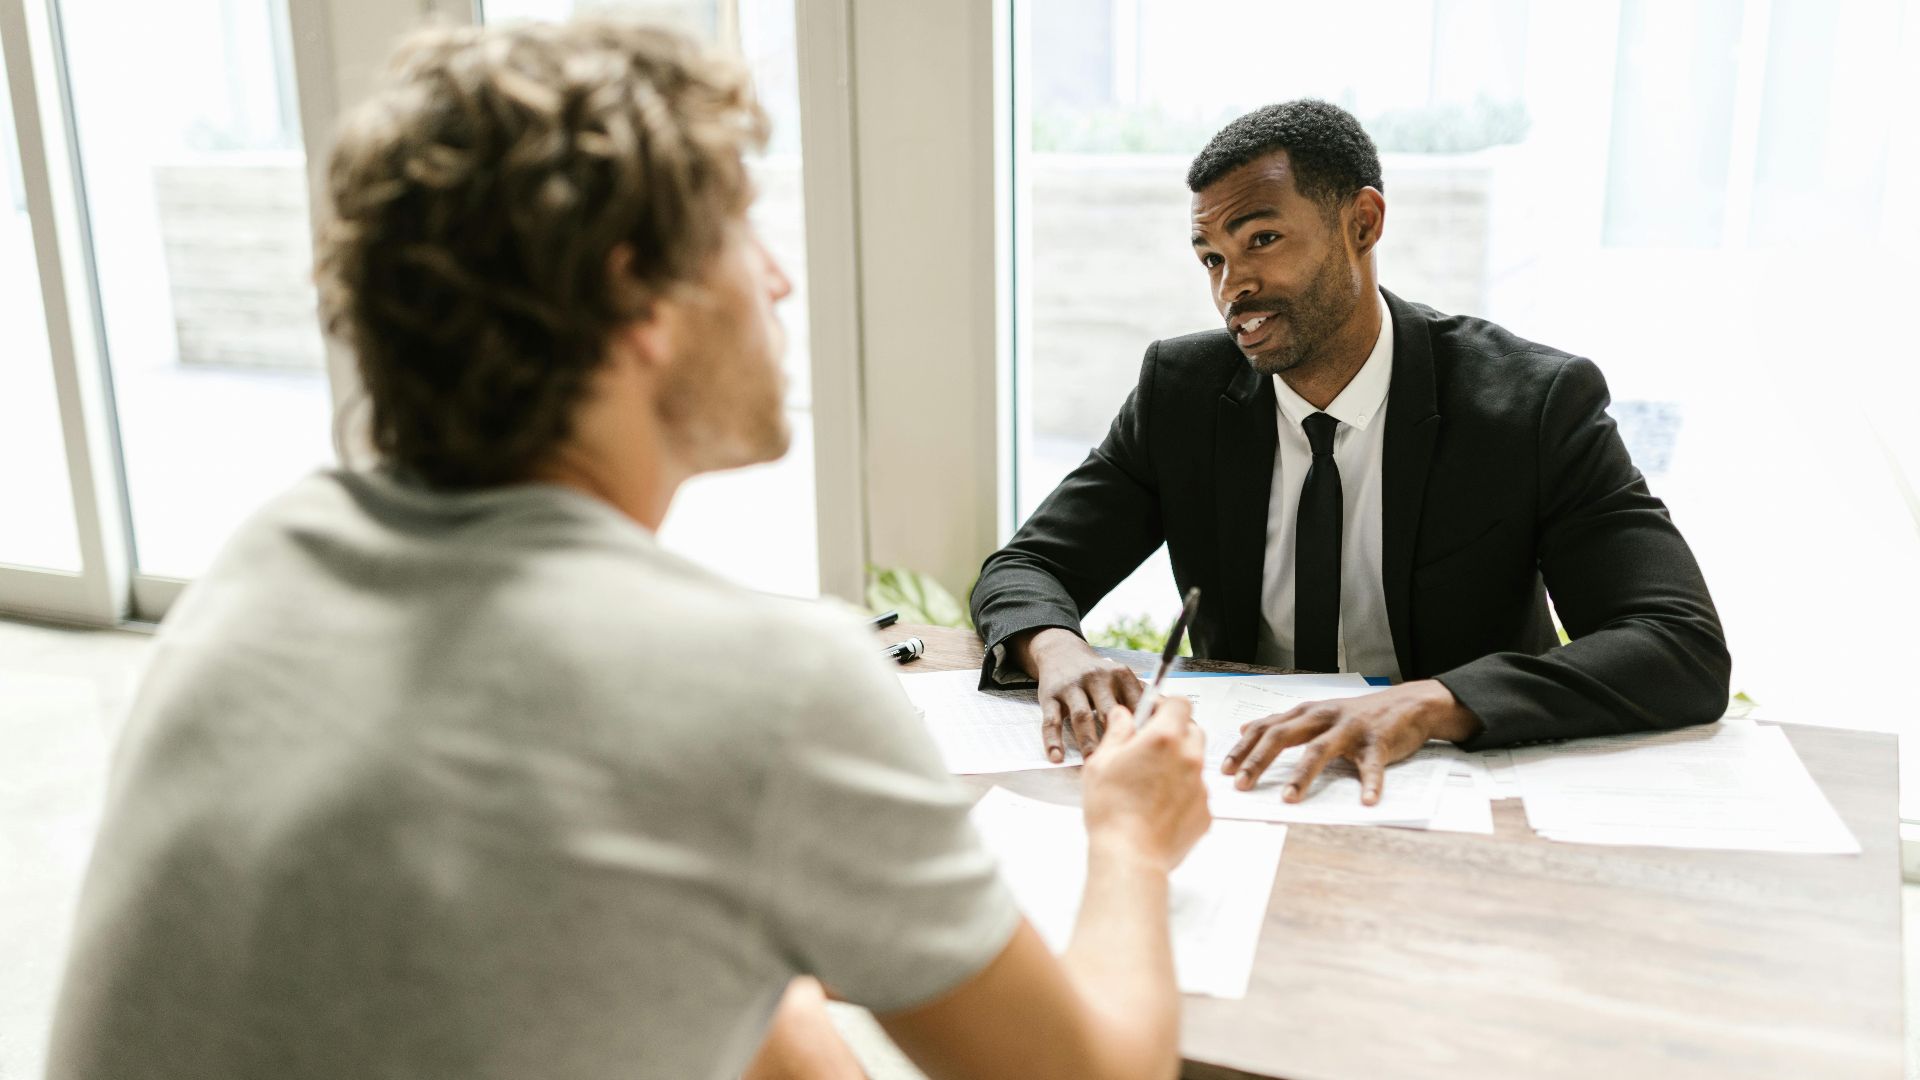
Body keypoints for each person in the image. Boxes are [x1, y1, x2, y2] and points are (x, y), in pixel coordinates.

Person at [45, 20, 1211, 1080]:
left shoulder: (268, 556)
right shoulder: (767, 685)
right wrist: (1128, 840)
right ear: (638, 300)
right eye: (743, 228)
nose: (778, 277)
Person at [971, 99, 1731, 805]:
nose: (1233, 286)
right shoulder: (1183, 393)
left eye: (1262, 239)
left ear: (1362, 224)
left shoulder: (1531, 404)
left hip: (1453, 788)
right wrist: (1056, 648)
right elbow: (1028, 567)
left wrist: (1437, 701)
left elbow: (1677, 644)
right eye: (1211, 257)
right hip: (1249, 785)